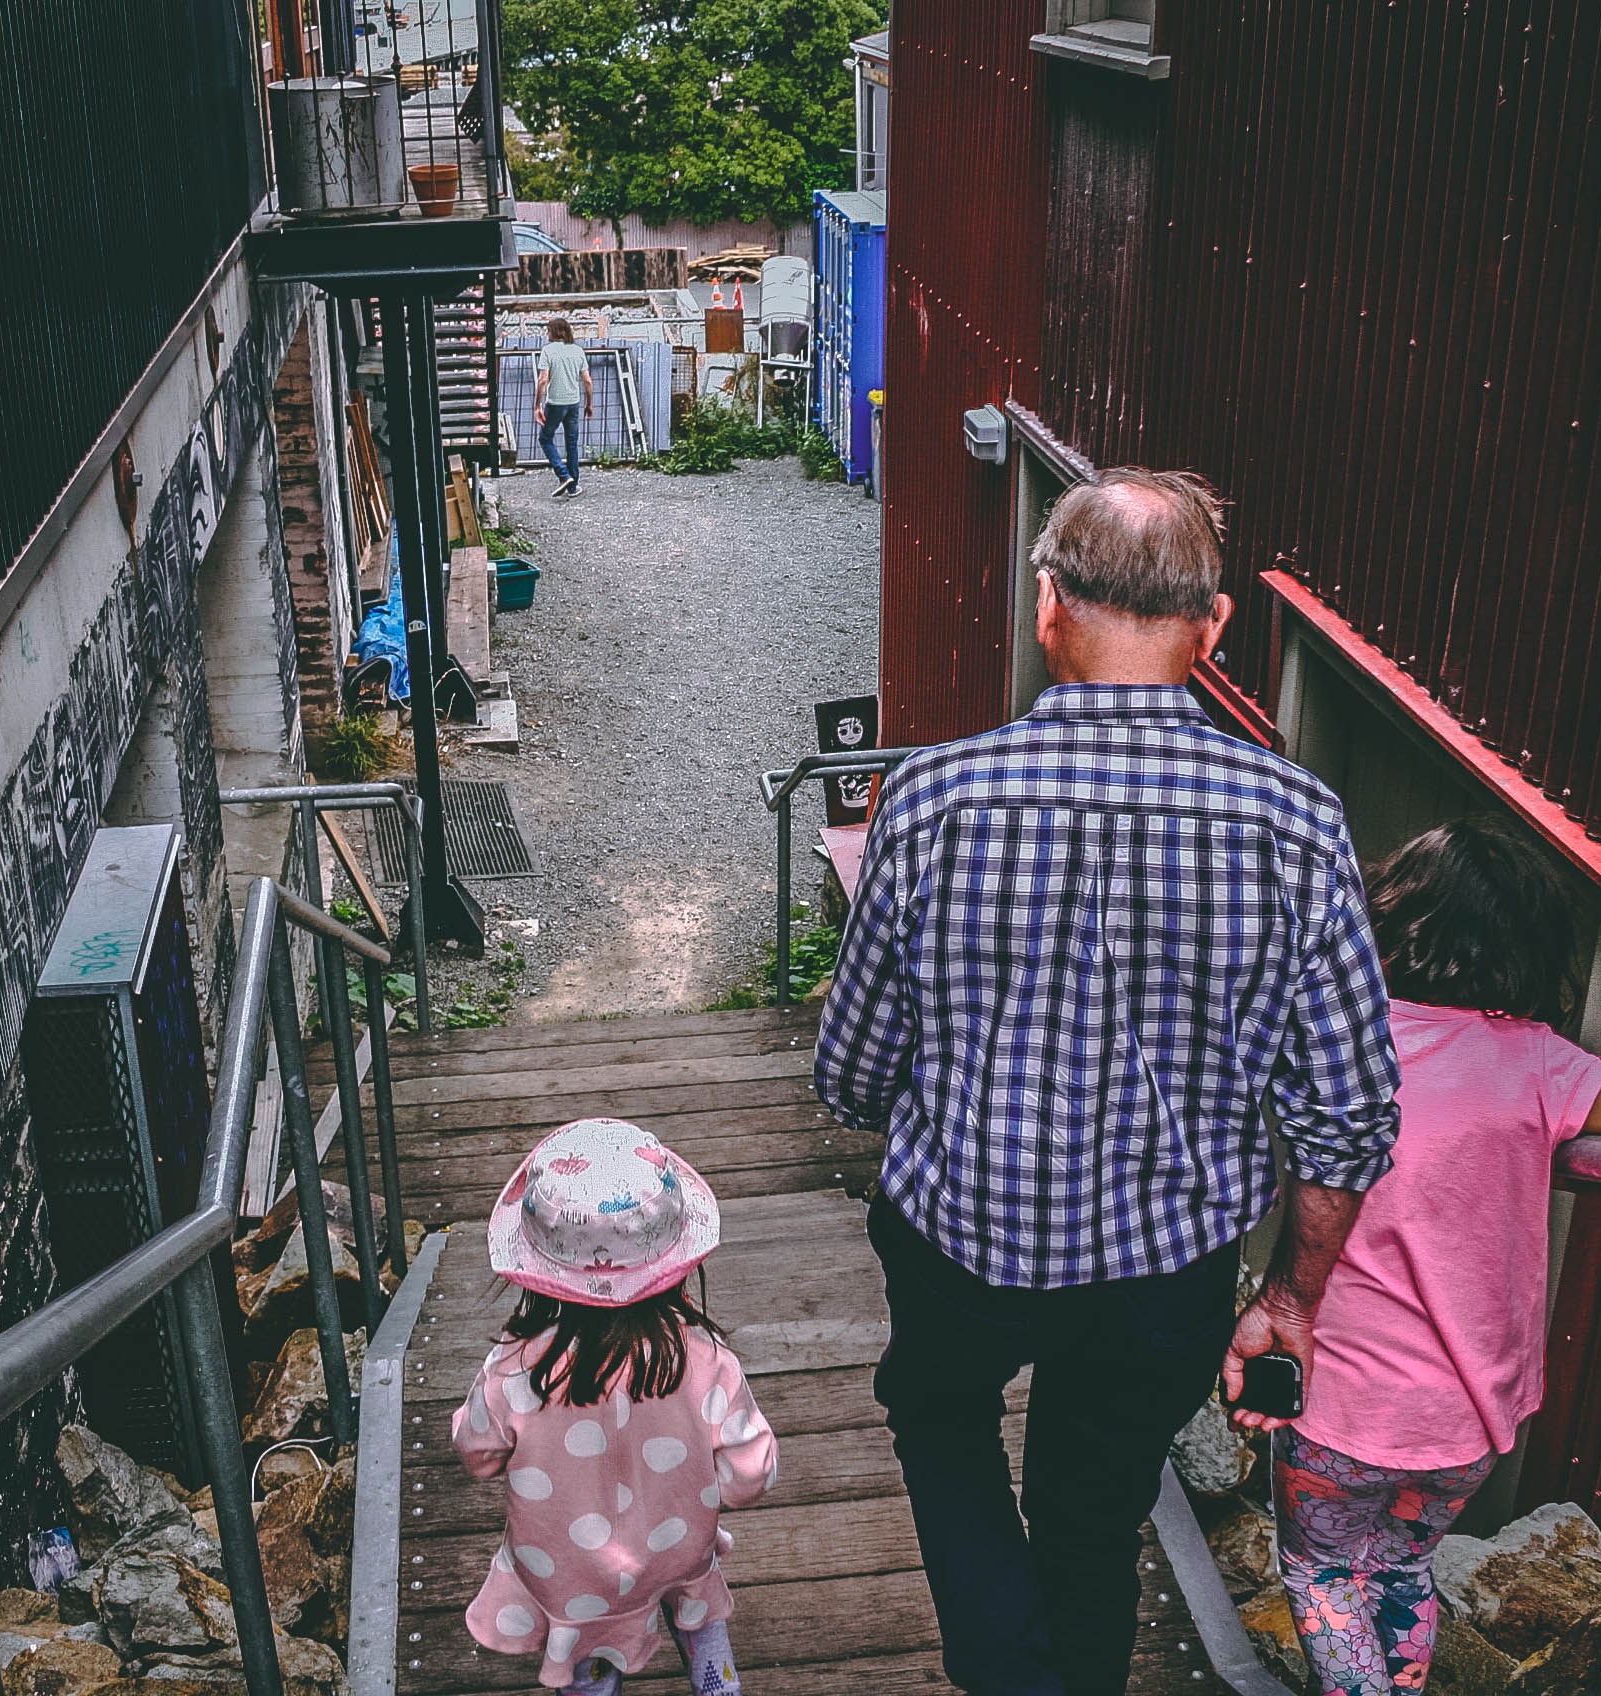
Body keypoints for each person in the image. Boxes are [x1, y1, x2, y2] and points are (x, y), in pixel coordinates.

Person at [815, 467, 1403, 1696]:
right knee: (1092, 1513)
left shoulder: (927, 799)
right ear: (1214, 624)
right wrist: (1290, 1301)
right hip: (1165, 1276)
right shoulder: (1299, 822)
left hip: (960, 1243)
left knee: (938, 1416)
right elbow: (1347, 1116)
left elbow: (855, 1073)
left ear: (1048, 607)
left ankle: (1006, 1673)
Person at [1243, 819, 1601, 1696]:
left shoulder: (1343, 1036)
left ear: (1391, 916)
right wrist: (1533, 1164)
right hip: (1466, 1424)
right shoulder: (1547, 1065)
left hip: (1344, 1406)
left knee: (1322, 1572)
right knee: (1400, 1570)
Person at [455, 1119, 778, 1696]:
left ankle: (598, 1678)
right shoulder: (704, 1358)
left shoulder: (516, 1367)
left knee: (589, 1652)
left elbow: (476, 1453)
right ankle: (714, 1675)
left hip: (568, 1572)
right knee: (694, 1598)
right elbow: (750, 1474)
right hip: (676, 1548)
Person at [534, 319, 593, 498]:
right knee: (572, 443)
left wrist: (537, 405)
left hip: (555, 404)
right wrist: (589, 403)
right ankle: (573, 486)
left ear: (553, 332)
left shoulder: (548, 351)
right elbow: (588, 381)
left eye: (548, 330)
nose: (547, 334)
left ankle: (563, 474)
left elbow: (543, 380)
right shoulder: (578, 351)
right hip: (574, 403)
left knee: (545, 439)